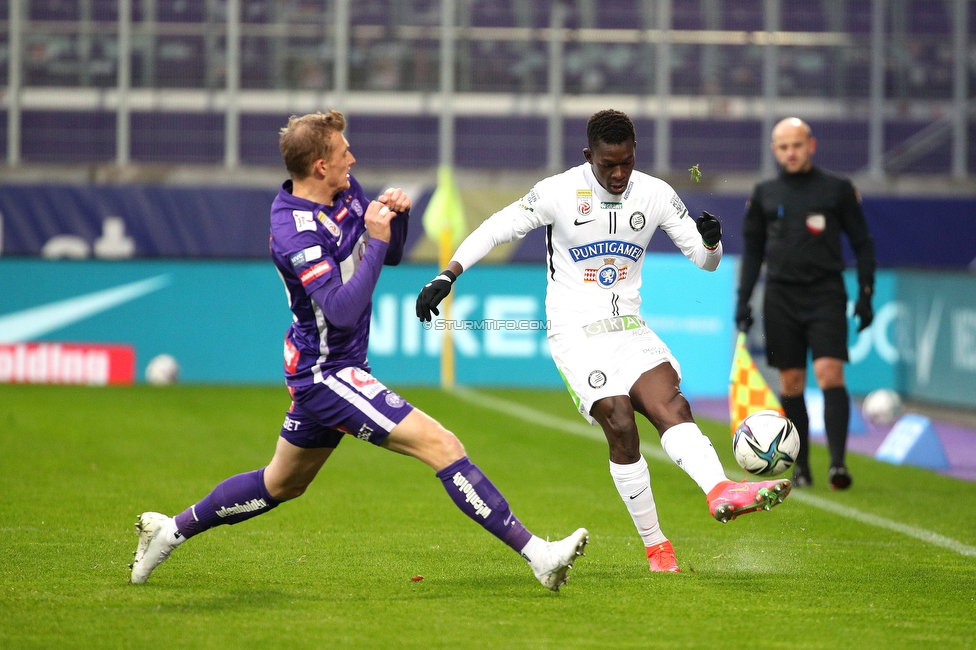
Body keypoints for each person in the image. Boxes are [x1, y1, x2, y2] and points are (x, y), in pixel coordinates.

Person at [129, 110, 589, 592]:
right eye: (343, 150)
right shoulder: (294, 231)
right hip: (327, 372)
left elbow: (385, 252)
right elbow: (343, 309)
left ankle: (170, 530)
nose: (353, 156)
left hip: (335, 367)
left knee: (281, 484)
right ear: (320, 166)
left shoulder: (343, 189)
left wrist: (397, 219)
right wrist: (380, 238)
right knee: (443, 445)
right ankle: (540, 555)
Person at [416, 109, 791, 574]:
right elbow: (497, 227)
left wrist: (711, 244)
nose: (618, 174)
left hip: (628, 327)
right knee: (619, 421)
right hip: (574, 330)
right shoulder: (558, 191)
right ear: (588, 155)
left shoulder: (655, 194)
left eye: (627, 163)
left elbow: (703, 260)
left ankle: (720, 489)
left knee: (670, 406)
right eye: (608, 164)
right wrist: (447, 274)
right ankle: (657, 547)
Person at [735, 117, 876, 490]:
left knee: (830, 372)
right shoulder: (764, 192)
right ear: (774, 150)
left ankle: (838, 465)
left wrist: (865, 293)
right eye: (783, 147)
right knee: (792, 380)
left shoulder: (837, 189)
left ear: (810, 145)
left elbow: (862, 242)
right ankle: (801, 466)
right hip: (781, 296)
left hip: (826, 292)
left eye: (796, 145)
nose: (790, 152)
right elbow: (752, 252)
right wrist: (743, 300)